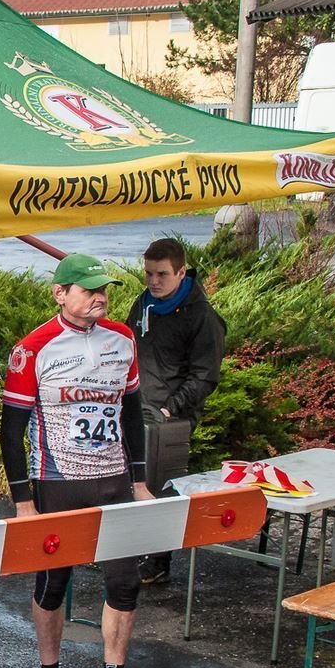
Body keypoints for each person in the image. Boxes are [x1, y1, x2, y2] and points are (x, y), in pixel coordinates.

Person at [2, 253, 156, 668]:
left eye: (103, 289)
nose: (100, 297)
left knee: (125, 582)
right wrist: (23, 499)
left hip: (111, 481)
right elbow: (11, 430)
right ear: (60, 293)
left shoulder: (123, 340)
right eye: (88, 289)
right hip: (58, 482)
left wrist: (140, 480)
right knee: (54, 584)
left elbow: (131, 413)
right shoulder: (33, 348)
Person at [125, 238, 226, 585]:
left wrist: (172, 407)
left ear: (182, 273)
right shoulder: (145, 303)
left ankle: (158, 560)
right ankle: (131, 549)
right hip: (136, 404)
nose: (153, 281)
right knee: (132, 479)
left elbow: (205, 375)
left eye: (162, 275)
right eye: (149, 274)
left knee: (160, 484)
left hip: (171, 413)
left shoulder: (202, 318)